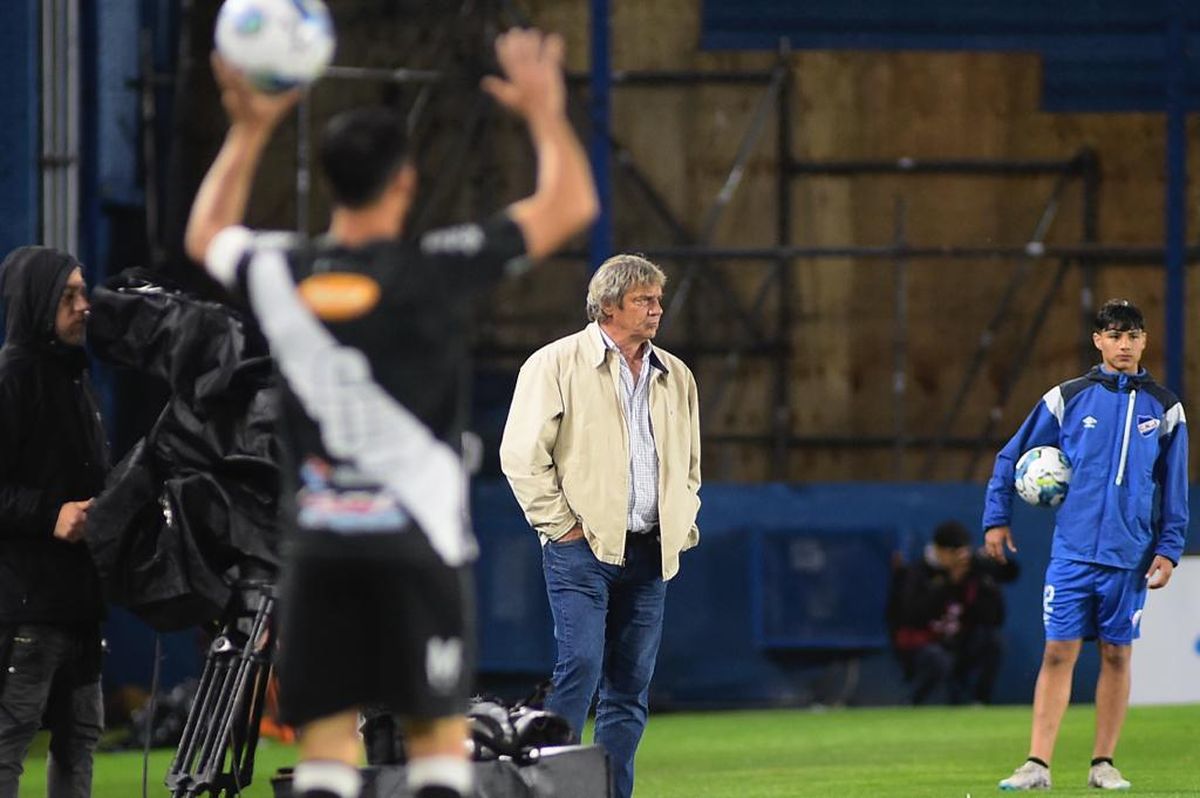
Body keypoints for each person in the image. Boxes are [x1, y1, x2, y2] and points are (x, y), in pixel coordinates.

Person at [184, 28, 597, 798]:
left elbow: (206, 234)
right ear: (404, 181)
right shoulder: (435, 270)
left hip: (319, 549)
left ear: (332, 182)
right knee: (438, 741)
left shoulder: (283, 273)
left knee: (325, 752)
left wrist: (250, 127)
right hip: (418, 548)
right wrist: (545, 112)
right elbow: (572, 202)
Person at [499, 253, 701, 798]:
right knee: (580, 670)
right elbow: (520, 456)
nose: (658, 309)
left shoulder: (675, 374)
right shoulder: (555, 363)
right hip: (580, 550)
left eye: (658, 299)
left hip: (651, 551)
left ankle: (610, 794)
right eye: (645, 300)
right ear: (608, 306)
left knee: (630, 689)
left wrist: (681, 525)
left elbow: (689, 465)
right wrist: (560, 526)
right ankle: (552, 790)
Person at [982, 298, 1188, 791]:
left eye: (1133, 336)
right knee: (1058, 652)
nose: (1124, 344)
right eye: (1114, 335)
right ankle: (1037, 763)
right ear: (1098, 340)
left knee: (1118, 655)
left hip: (1129, 555)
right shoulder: (1067, 397)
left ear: (1144, 341)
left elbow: (1174, 484)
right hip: (1073, 553)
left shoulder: (1165, 408)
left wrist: (1169, 546)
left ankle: (1103, 764)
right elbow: (1011, 455)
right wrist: (996, 518)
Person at [0, 247, 109, 798]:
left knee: (80, 743)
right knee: (7, 745)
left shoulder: (75, 381)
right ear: (38, 303)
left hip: (79, 608)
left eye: (83, 292)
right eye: (69, 296)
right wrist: (50, 515)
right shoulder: (12, 378)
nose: (84, 305)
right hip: (25, 608)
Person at [888, 520, 1018, 705]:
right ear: (939, 550)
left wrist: (984, 584)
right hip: (922, 644)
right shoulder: (917, 573)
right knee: (937, 659)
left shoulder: (973, 575)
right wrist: (948, 584)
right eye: (954, 552)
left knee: (992, 642)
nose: (960, 557)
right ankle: (914, 703)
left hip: (959, 642)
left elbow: (995, 618)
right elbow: (911, 616)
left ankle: (979, 702)